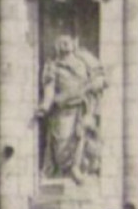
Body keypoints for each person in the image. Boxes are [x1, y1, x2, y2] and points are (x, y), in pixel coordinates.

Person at [38, 33, 107, 182]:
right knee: (61, 145)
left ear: (73, 44)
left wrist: (94, 86)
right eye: (61, 41)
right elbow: (49, 90)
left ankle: (76, 167)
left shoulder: (84, 60)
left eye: (68, 41)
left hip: (82, 107)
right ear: (57, 46)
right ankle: (62, 170)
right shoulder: (53, 66)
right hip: (62, 109)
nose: (65, 43)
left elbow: (99, 77)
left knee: (81, 136)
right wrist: (44, 106)